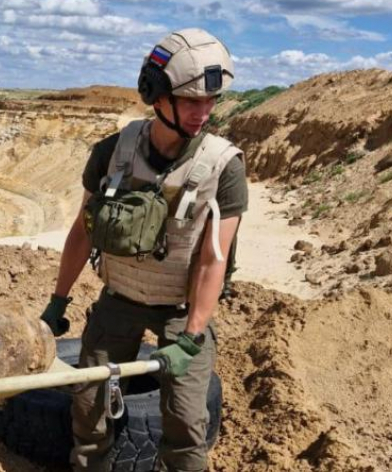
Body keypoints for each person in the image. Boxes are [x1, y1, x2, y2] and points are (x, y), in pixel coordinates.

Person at [41, 28, 247, 472]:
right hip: (120, 298)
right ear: (157, 96)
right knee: (89, 410)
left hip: (181, 309)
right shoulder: (113, 153)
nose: (204, 113)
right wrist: (58, 300)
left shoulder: (223, 167)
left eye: (211, 102)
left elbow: (214, 257)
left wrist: (192, 336)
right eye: (192, 101)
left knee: (187, 423)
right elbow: (83, 231)